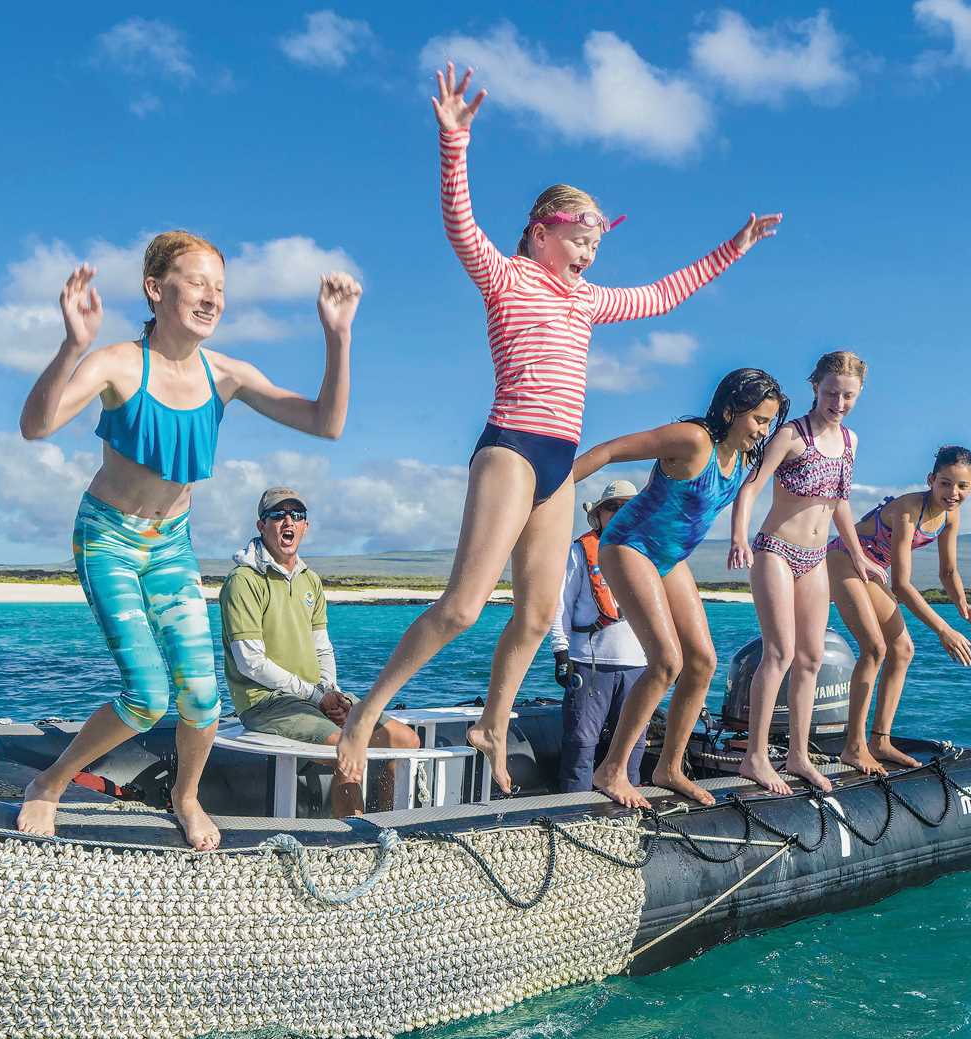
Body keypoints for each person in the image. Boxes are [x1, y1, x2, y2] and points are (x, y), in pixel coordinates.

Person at [336, 63, 783, 796]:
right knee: (463, 606)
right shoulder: (506, 276)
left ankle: (492, 722)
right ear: (543, 232)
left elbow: (664, 294)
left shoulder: (587, 302)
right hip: (512, 447)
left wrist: (734, 248)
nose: (588, 255)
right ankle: (365, 714)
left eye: (597, 247)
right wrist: (455, 142)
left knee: (539, 609)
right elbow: (459, 224)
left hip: (558, 461)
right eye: (580, 241)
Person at [13, 231, 362, 849]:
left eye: (220, 288)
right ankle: (51, 782)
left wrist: (337, 337)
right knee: (147, 695)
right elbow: (35, 426)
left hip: (171, 543)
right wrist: (73, 344)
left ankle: (186, 795)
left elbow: (325, 423)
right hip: (109, 539)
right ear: (156, 289)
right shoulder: (119, 362)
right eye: (197, 283)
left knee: (202, 696)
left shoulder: (224, 372)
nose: (212, 297)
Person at [569, 369, 789, 809]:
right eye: (759, 420)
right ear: (730, 411)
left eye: (769, 423)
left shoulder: (742, 460)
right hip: (629, 545)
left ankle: (669, 767)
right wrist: (551, 491)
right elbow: (613, 450)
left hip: (670, 558)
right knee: (666, 661)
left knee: (703, 662)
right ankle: (612, 769)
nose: (763, 431)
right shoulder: (693, 441)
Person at [726, 351, 878, 795]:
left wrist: (858, 555)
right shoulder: (793, 435)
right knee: (780, 653)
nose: (839, 401)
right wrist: (739, 537)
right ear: (815, 387)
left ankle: (797, 754)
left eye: (848, 395)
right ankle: (755, 757)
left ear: (859, 394)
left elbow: (840, 504)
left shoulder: (850, 442)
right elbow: (750, 488)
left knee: (812, 657)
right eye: (831, 392)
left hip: (815, 558)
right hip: (775, 548)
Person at [220, 486, 421, 816]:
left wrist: (330, 691)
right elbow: (250, 663)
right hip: (267, 703)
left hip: (315, 696)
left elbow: (322, 647)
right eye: (278, 515)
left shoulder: (310, 580)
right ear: (261, 526)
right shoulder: (243, 581)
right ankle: (353, 842)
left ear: (305, 527)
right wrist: (317, 698)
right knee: (347, 744)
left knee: (405, 742)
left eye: (297, 515)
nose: (289, 521)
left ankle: (386, 827)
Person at [824, 446, 971, 775]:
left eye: (962, 486)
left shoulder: (951, 515)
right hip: (844, 559)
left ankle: (879, 741)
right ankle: (853, 747)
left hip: (874, 570)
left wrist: (962, 604)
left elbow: (948, 571)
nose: (953, 493)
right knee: (874, 648)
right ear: (931, 480)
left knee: (903, 649)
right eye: (945, 483)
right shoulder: (909, 510)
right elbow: (901, 585)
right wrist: (943, 630)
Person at [547, 480, 647, 793]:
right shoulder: (579, 553)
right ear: (599, 514)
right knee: (581, 741)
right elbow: (558, 603)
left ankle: (628, 807)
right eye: (612, 507)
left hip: (638, 665)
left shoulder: (649, 552)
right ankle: (573, 810)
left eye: (627, 507)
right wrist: (560, 651)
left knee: (634, 741)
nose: (619, 513)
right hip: (588, 663)